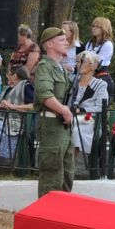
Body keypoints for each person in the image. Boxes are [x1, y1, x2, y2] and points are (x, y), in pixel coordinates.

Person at [33, 27, 75, 195]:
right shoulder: (45, 66)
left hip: (63, 127)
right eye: (61, 40)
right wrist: (64, 110)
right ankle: (45, 216)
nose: (66, 43)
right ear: (49, 44)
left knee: (66, 173)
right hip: (51, 125)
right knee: (52, 175)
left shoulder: (60, 68)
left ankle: (60, 215)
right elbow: (44, 94)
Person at [67, 51, 110, 162]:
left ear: (94, 66)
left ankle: (68, 169)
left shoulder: (100, 84)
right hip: (70, 118)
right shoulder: (72, 82)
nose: (79, 64)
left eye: (83, 61)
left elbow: (101, 107)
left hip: (90, 121)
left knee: (75, 130)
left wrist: (82, 109)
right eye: (77, 61)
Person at [84, 16, 115, 81]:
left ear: (104, 29)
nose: (94, 28)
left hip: (100, 77)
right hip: (87, 74)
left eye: (97, 27)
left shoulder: (107, 44)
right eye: (93, 26)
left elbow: (97, 63)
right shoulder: (90, 43)